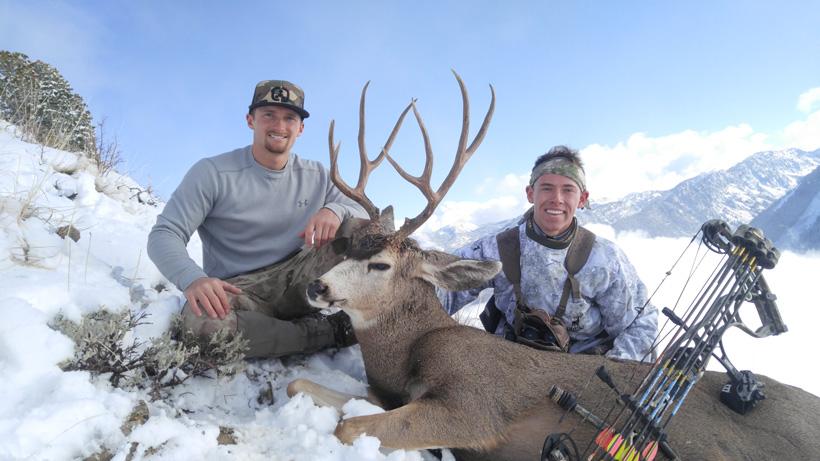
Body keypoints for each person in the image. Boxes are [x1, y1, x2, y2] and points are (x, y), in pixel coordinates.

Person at [147, 80, 368, 359]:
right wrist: (194, 279)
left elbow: (364, 211)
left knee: (365, 233)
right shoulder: (212, 172)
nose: (279, 126)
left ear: (300, 128)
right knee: (202, 323)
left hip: (301, 274)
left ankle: (401, 316)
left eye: (290, 118)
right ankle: (329, 332)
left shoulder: (319, 175)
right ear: (251, 120)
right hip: (240, 289)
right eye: (269, 116)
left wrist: (335, 210)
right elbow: (164, 234)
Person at [439, 146, 657, 361]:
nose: (557, 198)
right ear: (530, 193)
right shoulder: (497, 249)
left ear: (582, 199)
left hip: (582, 366)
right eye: (547, 188)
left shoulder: (605, 259)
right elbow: (444, 290)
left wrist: (610, 373)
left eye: (568, 190)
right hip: (509, 361)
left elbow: (640, 323)